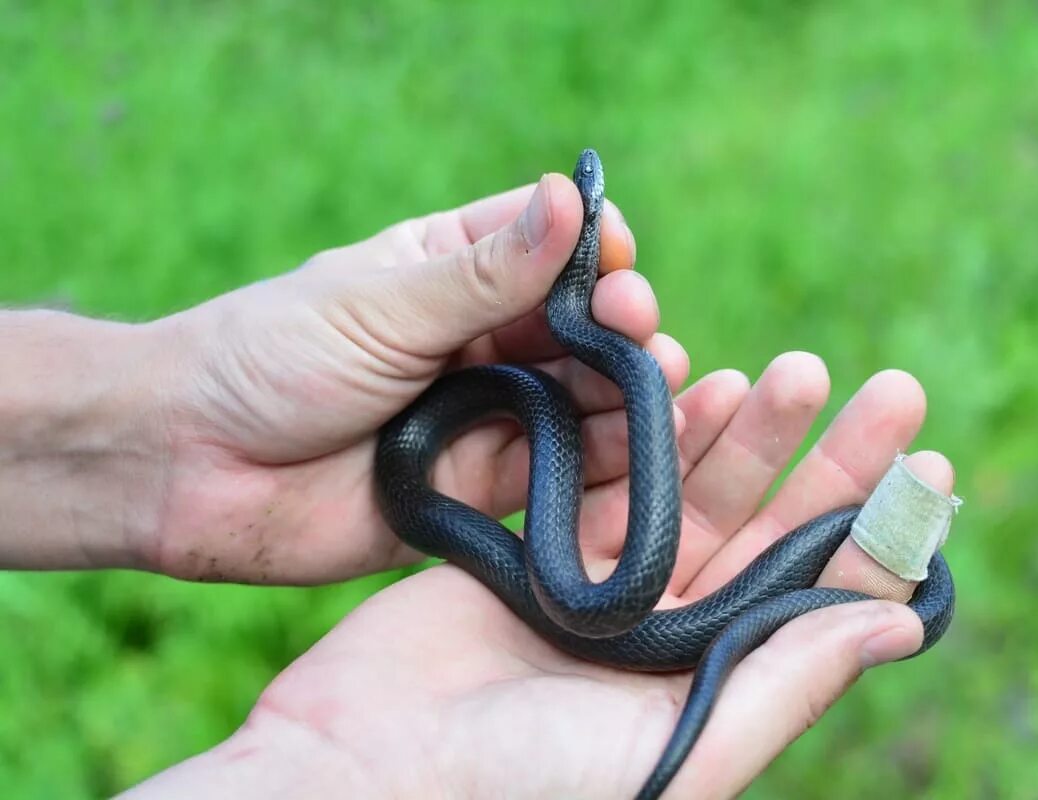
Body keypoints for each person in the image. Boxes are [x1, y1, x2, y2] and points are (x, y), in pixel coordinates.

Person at [1, 171, 957, 799]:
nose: (588, 192)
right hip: (507, 490)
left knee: (643, 543)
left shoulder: (567, 376)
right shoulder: (542, 391)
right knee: (612, 557)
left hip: (544, 498)